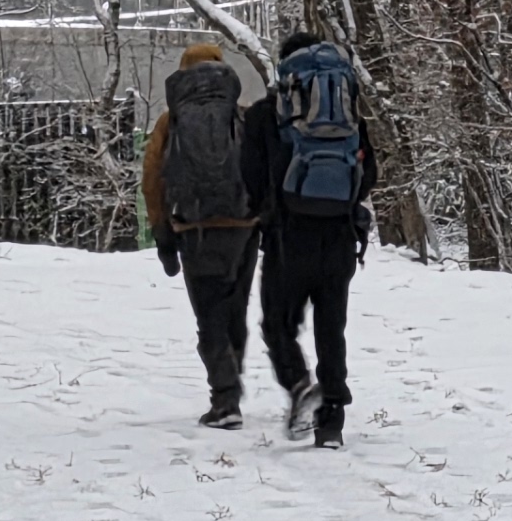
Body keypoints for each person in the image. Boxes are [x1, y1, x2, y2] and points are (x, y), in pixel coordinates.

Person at [238, 29, 373, 448]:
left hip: (287, 236)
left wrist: (264, 210)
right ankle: (331, 422)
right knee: (331, 328)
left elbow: (250, 177)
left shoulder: (265, 115)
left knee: (278, 323)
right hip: (339, 235)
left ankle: (299, 385)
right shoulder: (348, 115)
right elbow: (368, 176)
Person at [141, 40, 258, 427]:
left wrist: (162, 233)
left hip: (195, 228)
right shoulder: (240, 115)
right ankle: (231, 384)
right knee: (236, 310)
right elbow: (263, 168)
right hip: (243, 227)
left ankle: (225, 400)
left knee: (209, 314)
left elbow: (152, 180)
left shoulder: (171, 121)